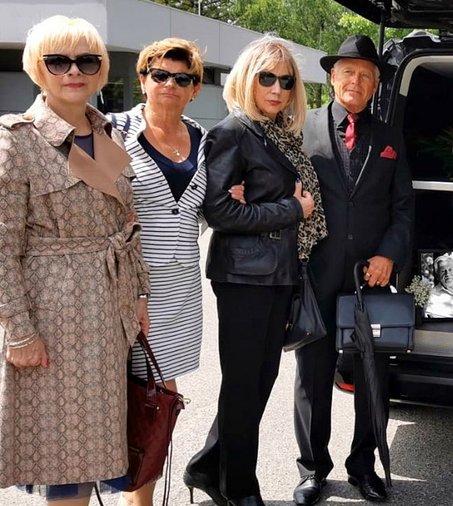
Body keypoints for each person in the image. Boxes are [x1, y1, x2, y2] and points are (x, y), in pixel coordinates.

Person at [0, 15, 150, 505]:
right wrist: (19, 331)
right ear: (37, 67)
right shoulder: (16, 139)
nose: (73, 71)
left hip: (111, 312)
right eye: (58, 61)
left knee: (99, 442)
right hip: (55, 315)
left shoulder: (107, 131)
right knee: (66, 451)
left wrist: (140, 294)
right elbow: (3, 247)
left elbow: (127, 223)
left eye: (86, 60)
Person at [182, 35, 319, 506]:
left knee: (260, 380)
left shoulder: (276, 133)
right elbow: (220, 212)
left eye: (286, 81)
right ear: (247, 78)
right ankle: (238, 487)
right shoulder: (232, 132)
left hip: (277, 272)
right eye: (267, 78)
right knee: (244, 383)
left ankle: (207, 467)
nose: (278, 89)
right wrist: (291, 210)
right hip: (244, 277)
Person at [292, 34, 414, 505]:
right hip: (317, 272)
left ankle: (364, 466)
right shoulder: (303, 126)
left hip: (371, 278)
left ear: (376, 84)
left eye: (366, 75)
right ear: (332, 77)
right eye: (348, 72)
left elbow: (403, 207)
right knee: (312, 373)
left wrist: (389, 254)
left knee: (371, 375)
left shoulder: (390, 137)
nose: (356, 81)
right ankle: (312, 469)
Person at [106, 37, 206, 506]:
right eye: (159, 74)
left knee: (157, 401)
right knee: (125, 399)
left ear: (195, 89)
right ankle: (129, 496)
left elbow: (209, 205)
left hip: (181, 291)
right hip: (128, 289)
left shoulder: (205, 140)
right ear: (143, 79)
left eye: (182, 78)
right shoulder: (115, 131)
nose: (170, 84)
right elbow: (99, 209)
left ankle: (138, 495)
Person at [424, 253, 453, 318]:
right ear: (437, 276)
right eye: (442, 271)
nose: (447, 274)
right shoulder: (431, 296)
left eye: (450, 269)